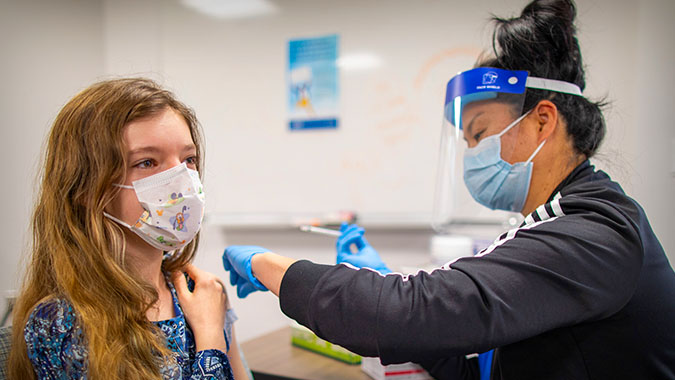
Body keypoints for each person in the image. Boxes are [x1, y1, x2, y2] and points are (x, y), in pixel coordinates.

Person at [222, 1, 675, 379]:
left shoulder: (596, 233)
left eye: (479, 134)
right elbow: (470, 361)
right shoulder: (556, 221)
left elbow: (415, 314)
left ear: (542, 120)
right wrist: (383, 279)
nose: (472, 153)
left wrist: (271, 267)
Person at [9, 78, 249, 380]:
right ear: (86, 189)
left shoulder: (202, 293)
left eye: (188, 159)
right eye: (147, 162)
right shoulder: (60, 323)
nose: (181, 180)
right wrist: (211, 339)